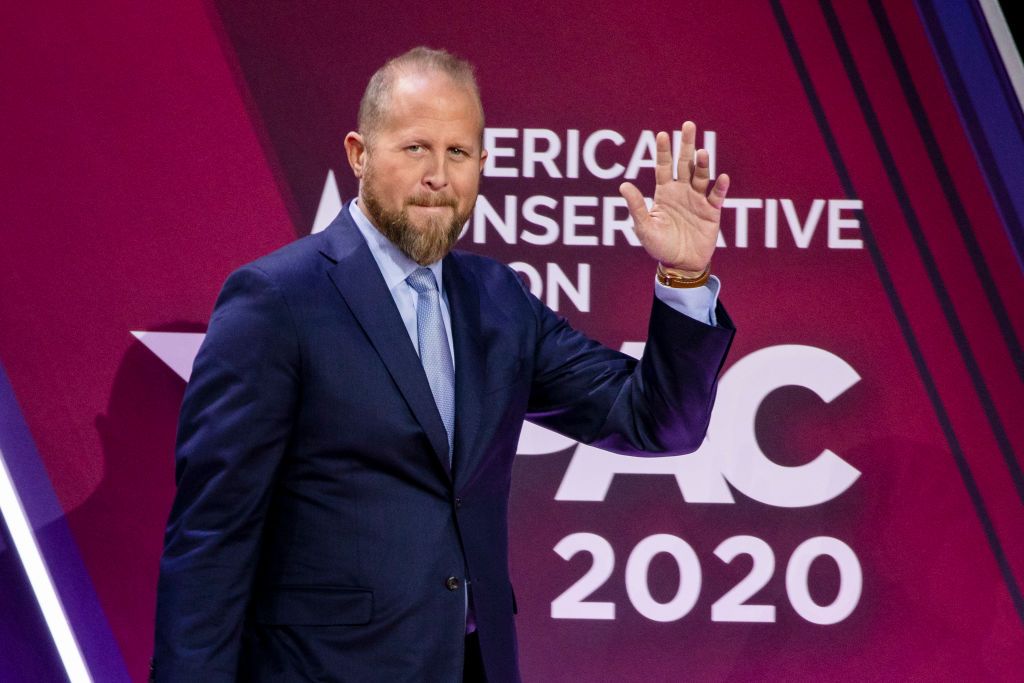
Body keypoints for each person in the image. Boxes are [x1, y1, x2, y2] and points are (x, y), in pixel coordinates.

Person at [153, 47, 734, 682]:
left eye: (458, 153)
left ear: (483, 164)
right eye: (415, 148)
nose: (438, 175)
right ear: (358, 154)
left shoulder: (498, 301)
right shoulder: (277, 300)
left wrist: (684, 277)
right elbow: (212, 538)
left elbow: (658, 423)